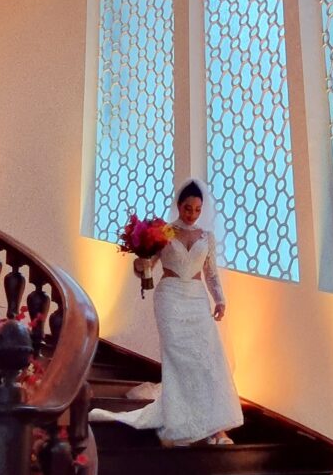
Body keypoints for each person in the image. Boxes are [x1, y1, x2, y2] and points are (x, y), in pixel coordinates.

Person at [89, 179, 244, 446]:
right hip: (170, 298)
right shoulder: (165, 232)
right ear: (179, 206)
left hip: (197, 300)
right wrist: (141, 264)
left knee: (207, 361)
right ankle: (182, 421)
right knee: (179, 360)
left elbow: (211, 273)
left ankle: (215, 428)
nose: (192, 214)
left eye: (197, 209)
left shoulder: (206, 237)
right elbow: (147, 266)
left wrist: (220, 299)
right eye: (187, 208)